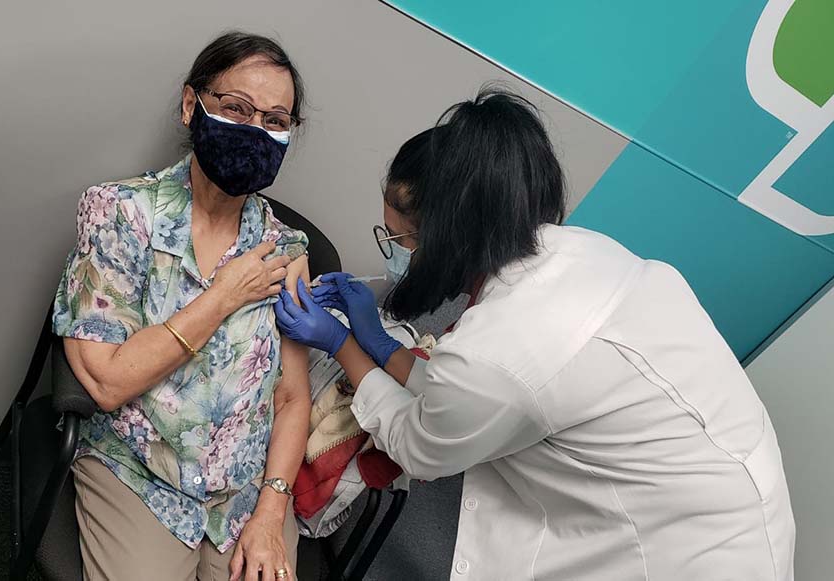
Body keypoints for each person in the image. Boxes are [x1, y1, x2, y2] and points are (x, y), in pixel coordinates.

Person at [274, 88, 796, 580]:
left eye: (402, 239)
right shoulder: (574, 253)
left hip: (691, 552)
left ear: (451, 232)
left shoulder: (505, 349)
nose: (397, 252)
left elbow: (419, 441)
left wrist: (343, 344)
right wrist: (382, 345)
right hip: (716, 485)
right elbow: (454, 391)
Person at [52, 31, 313, 581]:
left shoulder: (285, 250)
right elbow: (106, 381)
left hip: (245, 492)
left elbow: (291, 398)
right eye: (236, 108)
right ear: (192, 104)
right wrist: (223, 297)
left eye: (275, 120)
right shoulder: (120, 214)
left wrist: (271, 510)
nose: (255, 130)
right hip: (139, 471)